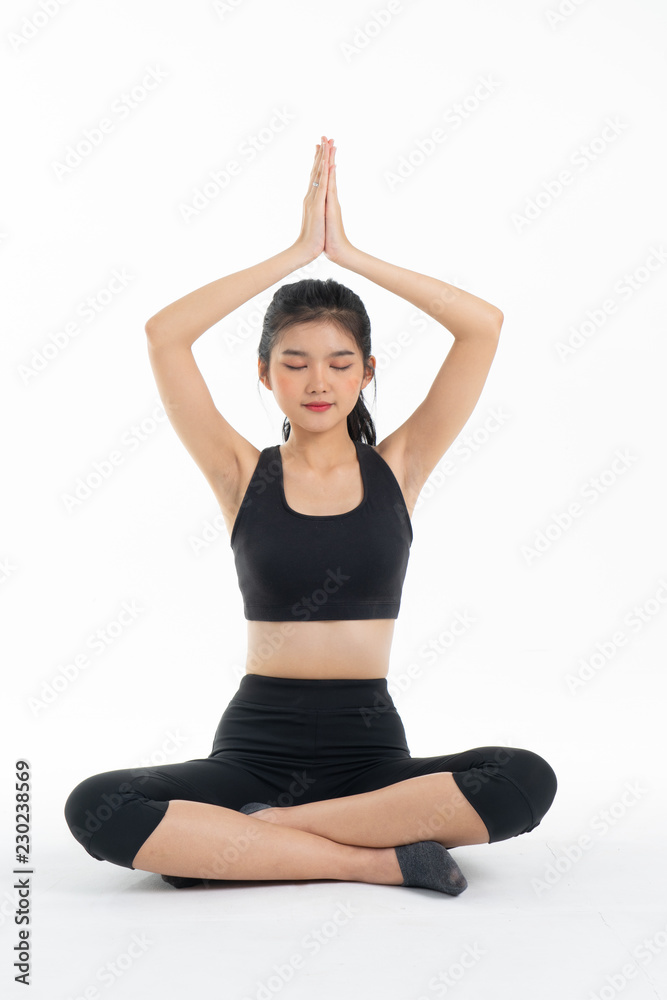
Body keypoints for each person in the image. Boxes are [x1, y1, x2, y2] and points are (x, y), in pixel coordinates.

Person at [64, 135, 557, 895]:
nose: (316, 381)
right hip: (255, 747)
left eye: (338, 362)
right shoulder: (239, 472)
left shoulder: (399, 466)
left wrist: (348, 254)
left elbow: (481, 326)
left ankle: (253, 840)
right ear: (263, 374)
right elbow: (165, 334)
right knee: (96, 807)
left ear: (366, 370)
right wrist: (297, 253)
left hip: (370, 756)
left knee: (525, 780)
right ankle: (371, 861)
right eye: (292, 362)